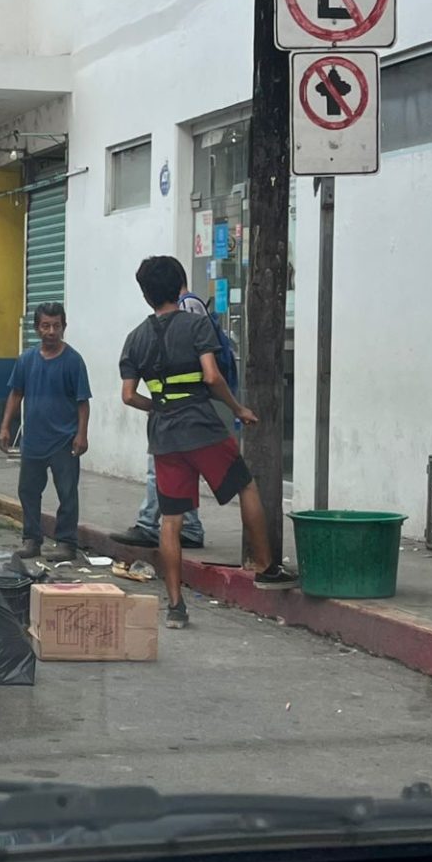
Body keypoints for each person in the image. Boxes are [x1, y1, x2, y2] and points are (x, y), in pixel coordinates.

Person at [119, 256, 297, 631]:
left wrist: (159, 407)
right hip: (201, 426)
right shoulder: (196, 324)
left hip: (164, 436)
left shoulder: (135, 337)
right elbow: (212, 376)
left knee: (171, 520)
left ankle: (176, 607)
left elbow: (129, 395)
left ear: (146, 294)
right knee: (245, 486)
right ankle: (266, 567)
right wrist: (237, 408)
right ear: (180, 286)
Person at [112, 290, 212, 551]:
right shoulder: (193, 317)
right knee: (180, 472)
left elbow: (128, 395)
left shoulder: (146, 332)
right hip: (192, 413)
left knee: (160, 471)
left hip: (170, 416)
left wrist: (157, 405)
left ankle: (150, 524)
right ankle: (189, 527)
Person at [0, 302, 91, 569]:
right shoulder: (26, 360)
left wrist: (82, 434)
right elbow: (16, 394)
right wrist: (5, 427)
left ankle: (66, 543)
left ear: (64, 327)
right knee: (28, 491)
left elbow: (83, 402)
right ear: (37, 328)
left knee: (67, 493)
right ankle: (31, 539)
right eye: (46, 326)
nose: (51, 331)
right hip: (33, 441)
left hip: (63, 440)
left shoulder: (73, 361)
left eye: (56, 326)